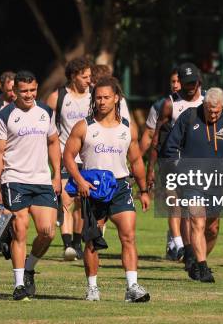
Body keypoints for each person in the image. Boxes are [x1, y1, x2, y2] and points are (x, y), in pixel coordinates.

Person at [64, 76, 151, 303]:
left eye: (106, 97)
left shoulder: (127, 128)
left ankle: (132, 287)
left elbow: (137, 161)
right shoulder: (84, 126)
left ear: (116, 98)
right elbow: (68, 157)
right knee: (93, 241)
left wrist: (143, 190)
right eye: (98, 98)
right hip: (93, 189)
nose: (101, 102)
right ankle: (92, 287)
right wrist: (79, 181)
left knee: (129, 236)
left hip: (120, 186)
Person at [163, 87, 223, 283]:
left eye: (217, 111)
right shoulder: (189, 117)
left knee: (211, 227)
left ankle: (194, 259)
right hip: (191, 179)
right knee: (198, 220)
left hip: (215, 181)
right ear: (204, 105)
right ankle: (203, 267)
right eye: (210, 110)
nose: (213, 115)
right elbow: (170, 147)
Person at [0, 70, 61, 301]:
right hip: (14, 180)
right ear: (15, 92)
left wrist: (57, 174)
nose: (29, 95)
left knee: (48, 232)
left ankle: (29, 267)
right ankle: (19, 284)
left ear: (37, 88)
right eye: (23, 91)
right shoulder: (4, 115)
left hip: (41, 180)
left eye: (32, 90)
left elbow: (52, 141)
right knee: (20, 229)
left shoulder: (45, 112)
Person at [147, 62, 205, 267]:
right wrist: (150, 170)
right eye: (183, 82)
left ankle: (192, 251)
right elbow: (155, 139)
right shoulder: (170, 104)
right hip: (173, 161)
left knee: (195, 213)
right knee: (175, 204)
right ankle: (181, 246)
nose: (187, 86)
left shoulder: (207, 102)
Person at [46, 57, 93, 261]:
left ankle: (77, 242)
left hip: (89, 155)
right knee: (67, 198)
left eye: (90, 77)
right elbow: (48, 131)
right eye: (85, 77)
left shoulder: (94, 97)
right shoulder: (57, 97)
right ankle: (67, 245)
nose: (89, 81)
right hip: (66, 153)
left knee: (84, 202)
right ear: (73, 76)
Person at [139, 68, 181, 156]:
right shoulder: (159, 106)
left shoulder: (200, 102)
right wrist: (136, 161)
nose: (175, 85)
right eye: (173, 82)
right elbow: (149, 134)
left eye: (179, 81)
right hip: (169, 158)